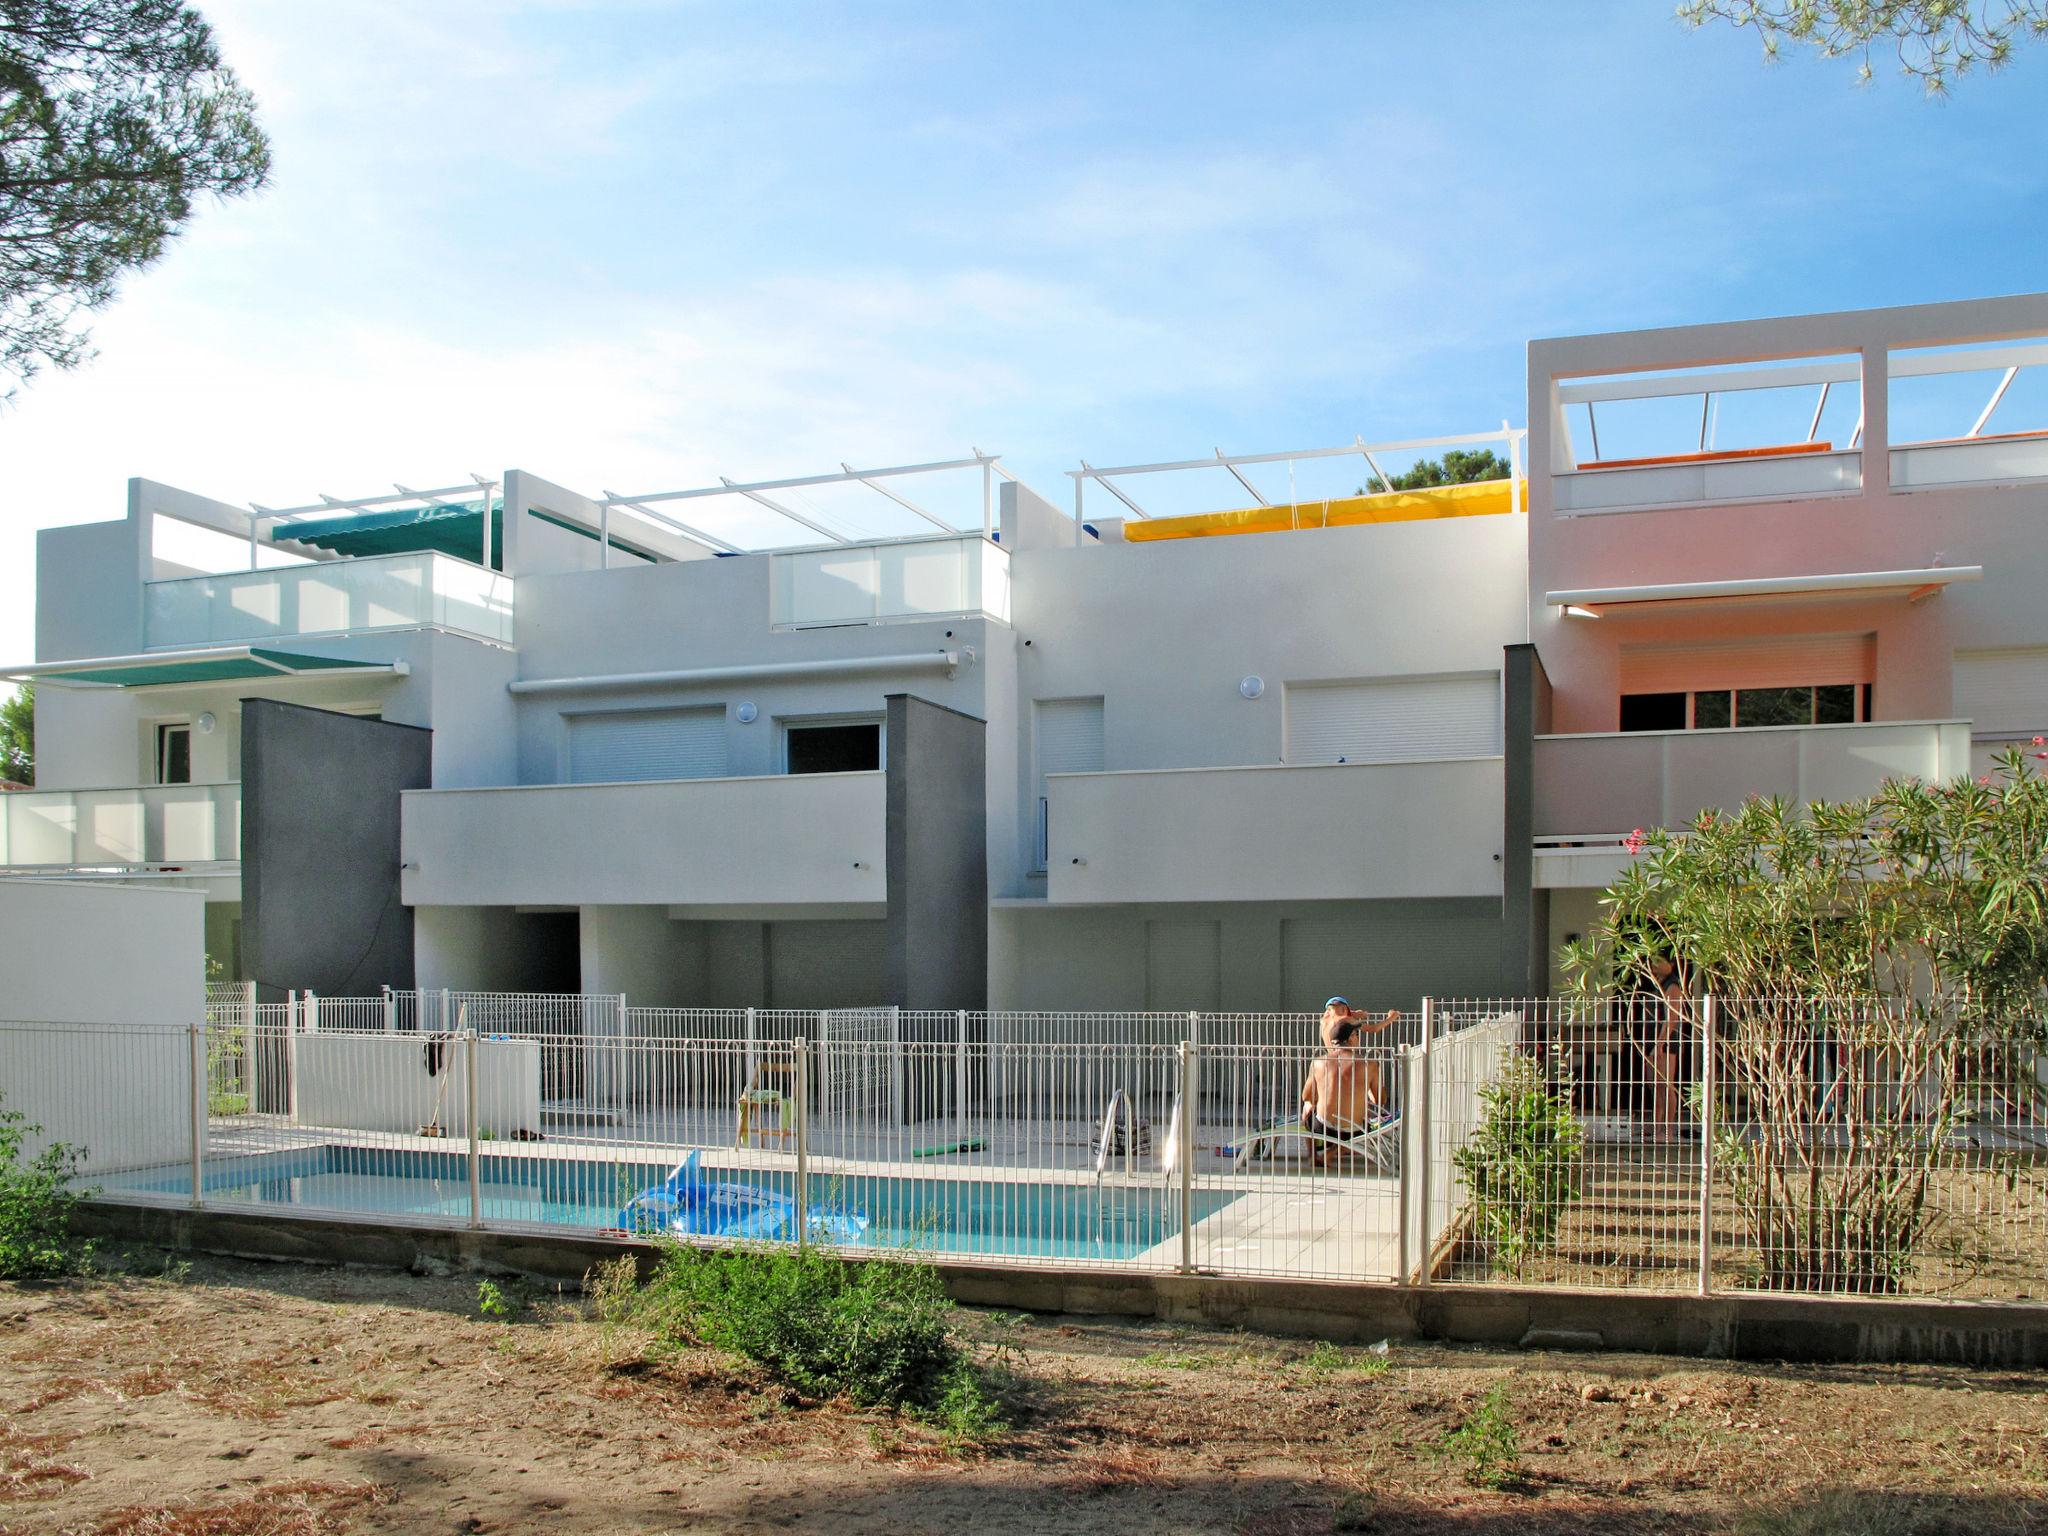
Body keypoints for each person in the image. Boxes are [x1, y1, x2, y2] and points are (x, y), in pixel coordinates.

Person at [1299, 997, 1399, 1157]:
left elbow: (1306, 1096)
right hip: (1354, 1131)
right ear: (1352, 1038)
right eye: (1356, 1035)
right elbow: (1380, 1100)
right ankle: (1337, 1150)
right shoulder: (1368, 1063)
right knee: (1359, 1104)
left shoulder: (1323, 1029)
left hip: (1321, 1127)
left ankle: (1313, 1155)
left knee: (1308, 1106)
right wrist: (1390, 1018)